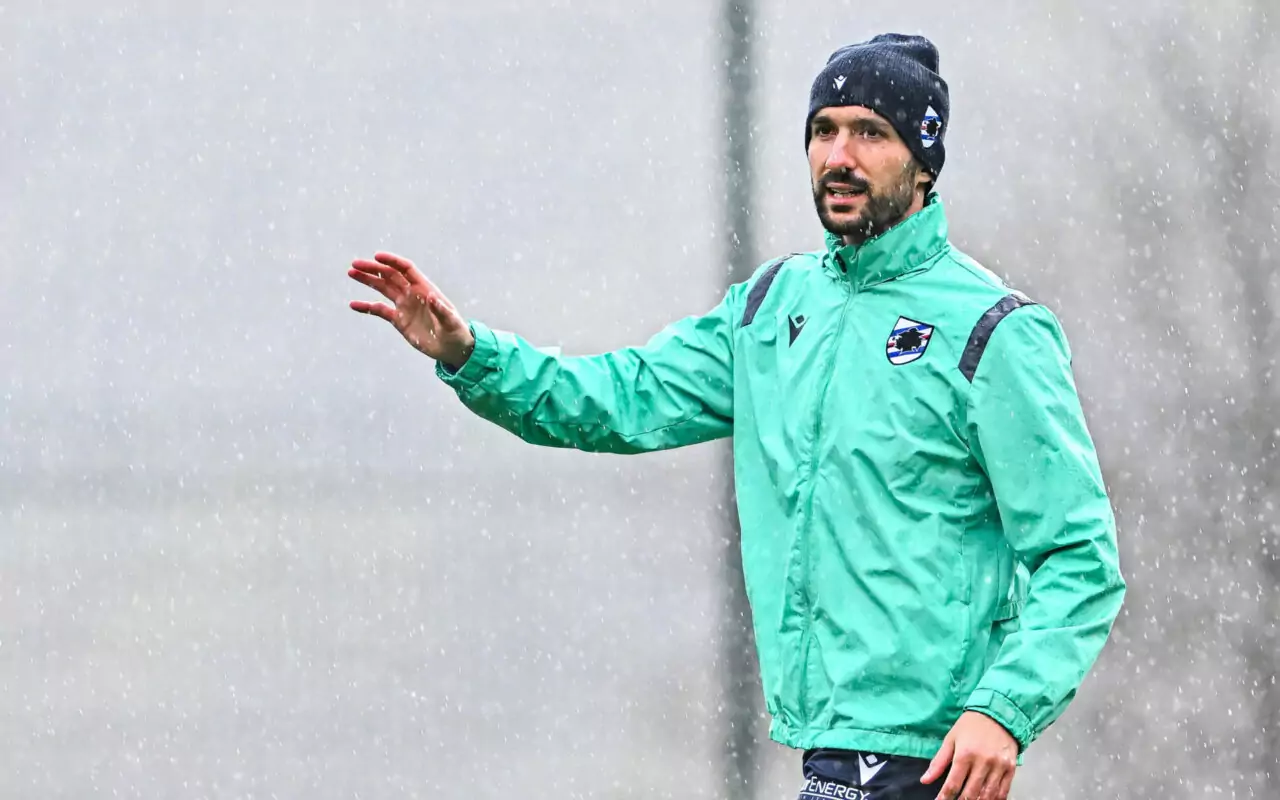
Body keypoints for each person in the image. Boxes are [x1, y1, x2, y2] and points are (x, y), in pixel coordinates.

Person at [347, 33, 1125, 800]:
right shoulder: (770, 308)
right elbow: (622, 398)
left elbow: (1079, 557)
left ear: (923, 161)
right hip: (830, 749)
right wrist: (471, 353)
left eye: (869, 133)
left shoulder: (994, 331)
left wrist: (1003, 710)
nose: (838, 156)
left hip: (933, 764)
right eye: (823, 130)